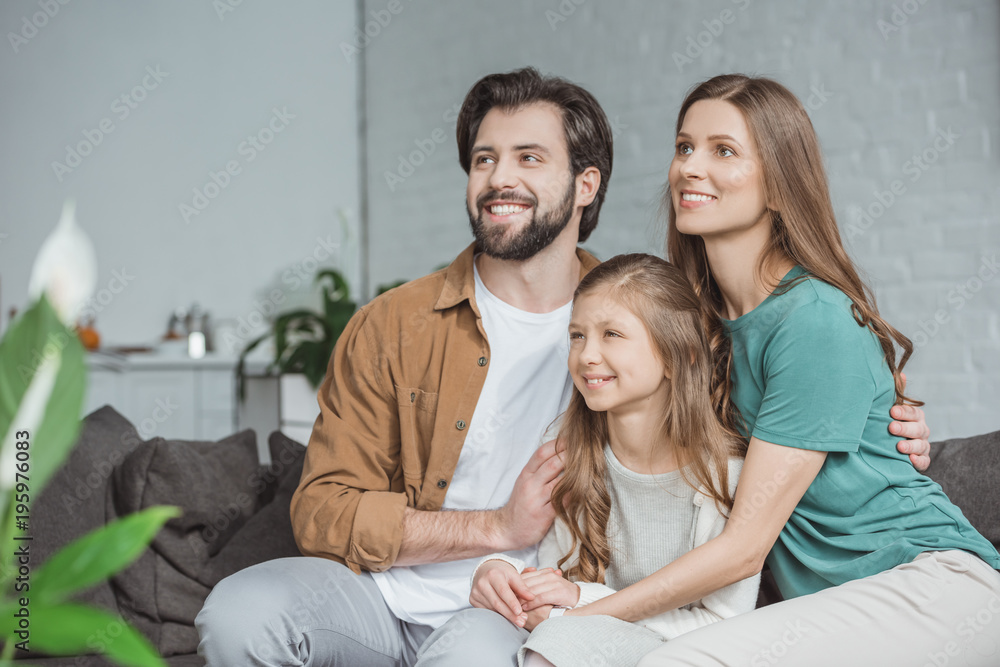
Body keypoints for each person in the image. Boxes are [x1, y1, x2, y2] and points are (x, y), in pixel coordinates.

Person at [195, 68, 932, 667]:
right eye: (484, 158)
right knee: (240, 613)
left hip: (525, 606)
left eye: (528, 158)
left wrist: (893, 422)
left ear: (586, 184)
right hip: (380, 593)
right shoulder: (394, 324)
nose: (497, 178)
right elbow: (321, 509)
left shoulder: (649, 318)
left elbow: (792, 392)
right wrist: (494, 526)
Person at [506, 73, 1000, 667]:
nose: (691, 166)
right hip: (821, 606)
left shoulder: (813, 318)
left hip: (933, 585)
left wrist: (582, 611)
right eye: (684, 146)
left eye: (724, 151)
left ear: (778, 185)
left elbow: (743, 550)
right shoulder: (696, 324)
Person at [469, 253, 761, 667]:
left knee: (557, 645)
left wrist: (578, 603)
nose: (587, 355)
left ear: (682, 355)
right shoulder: (568, 447)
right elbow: (554, 579)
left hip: (685, 654)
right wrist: (497, 570)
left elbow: (722, 622)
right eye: (577, 335)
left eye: (612, 335)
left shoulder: (725, 474)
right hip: (582, 637)